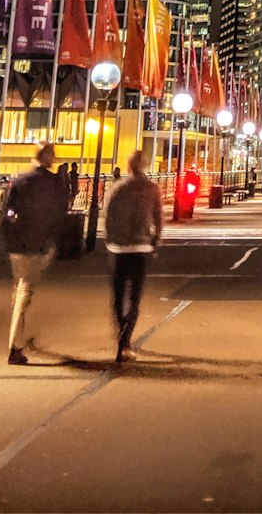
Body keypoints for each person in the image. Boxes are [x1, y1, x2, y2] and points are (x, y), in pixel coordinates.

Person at [3, 142, 68, 365]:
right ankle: (15, 345)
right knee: (25, 292)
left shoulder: (21, 181)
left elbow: (8, 211)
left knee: (19, 288)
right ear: (49, 158)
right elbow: (60, 213)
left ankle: (20, 332)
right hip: (38, 244)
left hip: (17, 245)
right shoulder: (53, 183)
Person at [104, 148, 163, 363]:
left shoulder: (117, 188)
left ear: (128, 166)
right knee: (135, 298)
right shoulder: (152, 188)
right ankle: (125, 339)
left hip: (119, 248)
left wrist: (109, 239)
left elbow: (107, 215)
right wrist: (155, 242)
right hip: (141, 248)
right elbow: (158, 219)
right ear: (144, 165)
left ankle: (121, 333)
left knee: (118, 296)